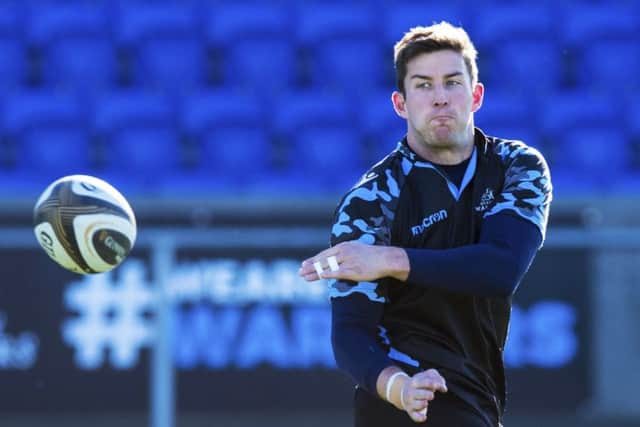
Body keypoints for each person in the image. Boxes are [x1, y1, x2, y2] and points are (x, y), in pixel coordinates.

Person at [299, 22, 552, 427]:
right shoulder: (370, 200)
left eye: (452, 82)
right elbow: (350, 334)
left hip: (476, 392)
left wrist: (389, 259)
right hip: (404, 397)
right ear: (400, 103)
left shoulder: (516, 167)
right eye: (423, 86)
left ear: (476, 95)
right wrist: (400, 387)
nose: (439, 98)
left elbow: (501, 269)